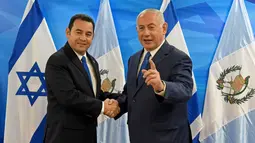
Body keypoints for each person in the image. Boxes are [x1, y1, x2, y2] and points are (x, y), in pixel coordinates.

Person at [114, 9, 193, 143]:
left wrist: (161, 86)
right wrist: (114, 105)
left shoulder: (179, 58)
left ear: (164, 28)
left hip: (169, 138)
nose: (146, 33)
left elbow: (185, 90)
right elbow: (131, 96)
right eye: (141, 28)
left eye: (151, 27)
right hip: (138, 137)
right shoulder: (133, 60)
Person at [44, 14, 119, 143]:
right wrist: (103, 107)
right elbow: (68, 97)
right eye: (79, 32)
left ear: (93, 36)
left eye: (88, 34)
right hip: (64, 137)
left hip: (88, 135)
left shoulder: (92, 62)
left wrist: (121, 100)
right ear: (68, 32)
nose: (83, 38)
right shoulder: (57, 60)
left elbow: (95, 94)